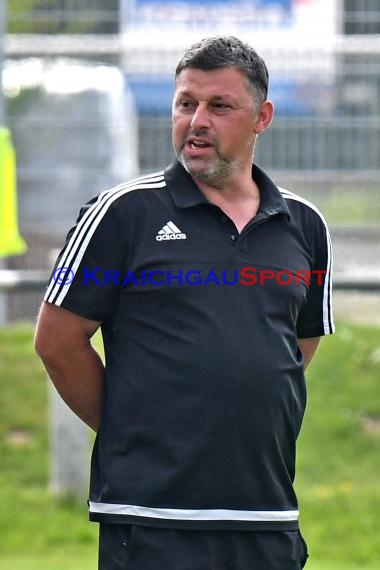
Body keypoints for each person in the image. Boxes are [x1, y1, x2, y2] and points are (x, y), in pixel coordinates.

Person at [35, 36, 334, 570]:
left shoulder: (305, 226)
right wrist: (134, 427)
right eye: (185, 103)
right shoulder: (122, 214)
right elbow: (57, 341)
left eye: (219, 106)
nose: (197, 120)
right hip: (152, 514)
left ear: (261, 116)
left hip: (265, 514)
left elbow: (295, 348)